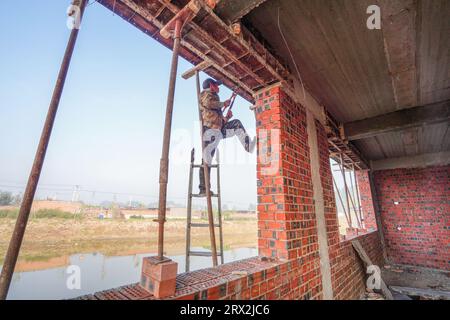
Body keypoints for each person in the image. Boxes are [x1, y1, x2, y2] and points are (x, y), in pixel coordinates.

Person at [198, 78, 256, 196]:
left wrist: (226, 118)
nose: (218, 88)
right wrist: (223, 104)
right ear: (211, 85)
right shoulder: (205, 94)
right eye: (216, 85)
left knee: (236, 124)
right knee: (207, 159)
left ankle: (248, 146)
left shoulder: (214, 97)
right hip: (209, 131)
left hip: (217, 130)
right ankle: (203, 188)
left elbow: (217, 119)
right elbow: (208, 103)